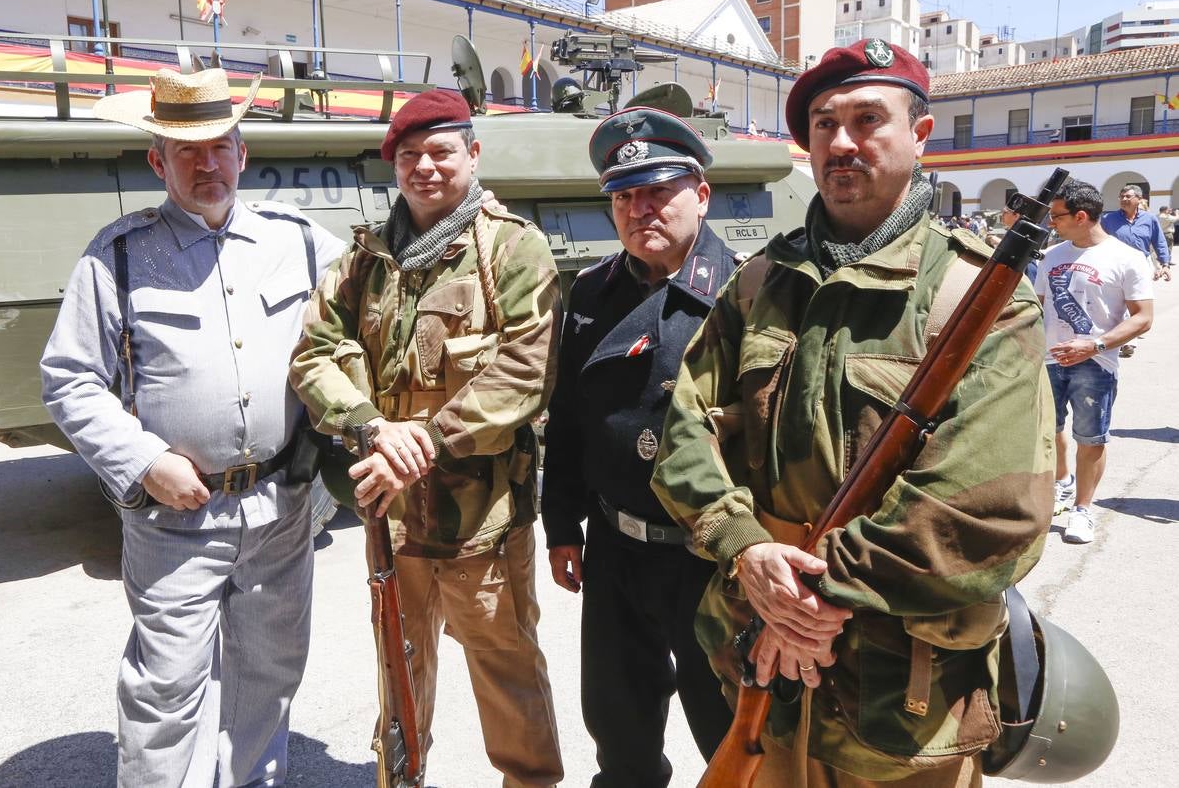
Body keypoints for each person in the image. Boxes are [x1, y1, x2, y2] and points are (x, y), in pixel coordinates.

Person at [650, 38, 1054, 786]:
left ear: (919, 134)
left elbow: (988, 506)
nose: (842, 142)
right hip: (763, 666)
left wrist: (807, 601)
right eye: (823, 125)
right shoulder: (759, 284)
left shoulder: (979, 298)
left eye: (869, 119)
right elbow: (684, 431)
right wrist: (746, 548)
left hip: (901, 705)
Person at [41, 68, 344, 787]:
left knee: (270, 673)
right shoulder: (116, 254)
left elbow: (383, 302)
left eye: (219, 146)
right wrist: (143, 460)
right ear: (158, 162)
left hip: (281, 509)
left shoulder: (299, 242)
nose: (207, 164)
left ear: (243, 152)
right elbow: (69, 377)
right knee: (166, 690)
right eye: (187, 151)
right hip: (177, 518)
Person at [289, 89, 565, 787]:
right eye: (409, 155)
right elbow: (314, 354)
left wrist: (427, 439)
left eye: (441, 151)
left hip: (485, 522)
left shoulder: (513, 248)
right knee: (399, 675)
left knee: (510, 681)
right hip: (395, 520)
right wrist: (372, 426)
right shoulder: (368, 259)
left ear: (472, 154)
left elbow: (528, 369)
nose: (425, 167)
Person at [542, 108, 735, 787]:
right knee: (618, 727)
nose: (639, 209)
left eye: (657, 190)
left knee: (732, 733)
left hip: (711, 558)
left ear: (701, 195)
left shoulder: (747, 291)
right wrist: (562, 524)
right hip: (617, 552)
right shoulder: (594, 291)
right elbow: (569, 417)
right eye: (624, 195)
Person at [1035, 179, 1154, 544]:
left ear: (1081, 216)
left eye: (1056, 216)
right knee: (1048, 433)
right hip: (1048, 361)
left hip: (1096, 364)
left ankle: (1083, 510)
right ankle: (1061, 483)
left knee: (1090, 439)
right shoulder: (1052, 256)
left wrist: (1096, 344)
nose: (1051, 223)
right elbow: (1038, 307)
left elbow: (1142, 317)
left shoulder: (1126, 258)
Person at [1101, 184, 1171, 281]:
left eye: (1128, 196)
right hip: (1116, 267)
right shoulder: (1107, 219)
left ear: (1139, 199)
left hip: (1142, 266)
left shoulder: (1150, 219)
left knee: (1142, 296)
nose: (1123, 199)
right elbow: (1098, 242)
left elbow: (1159, 242)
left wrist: (1165, 265)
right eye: (1121, 197)